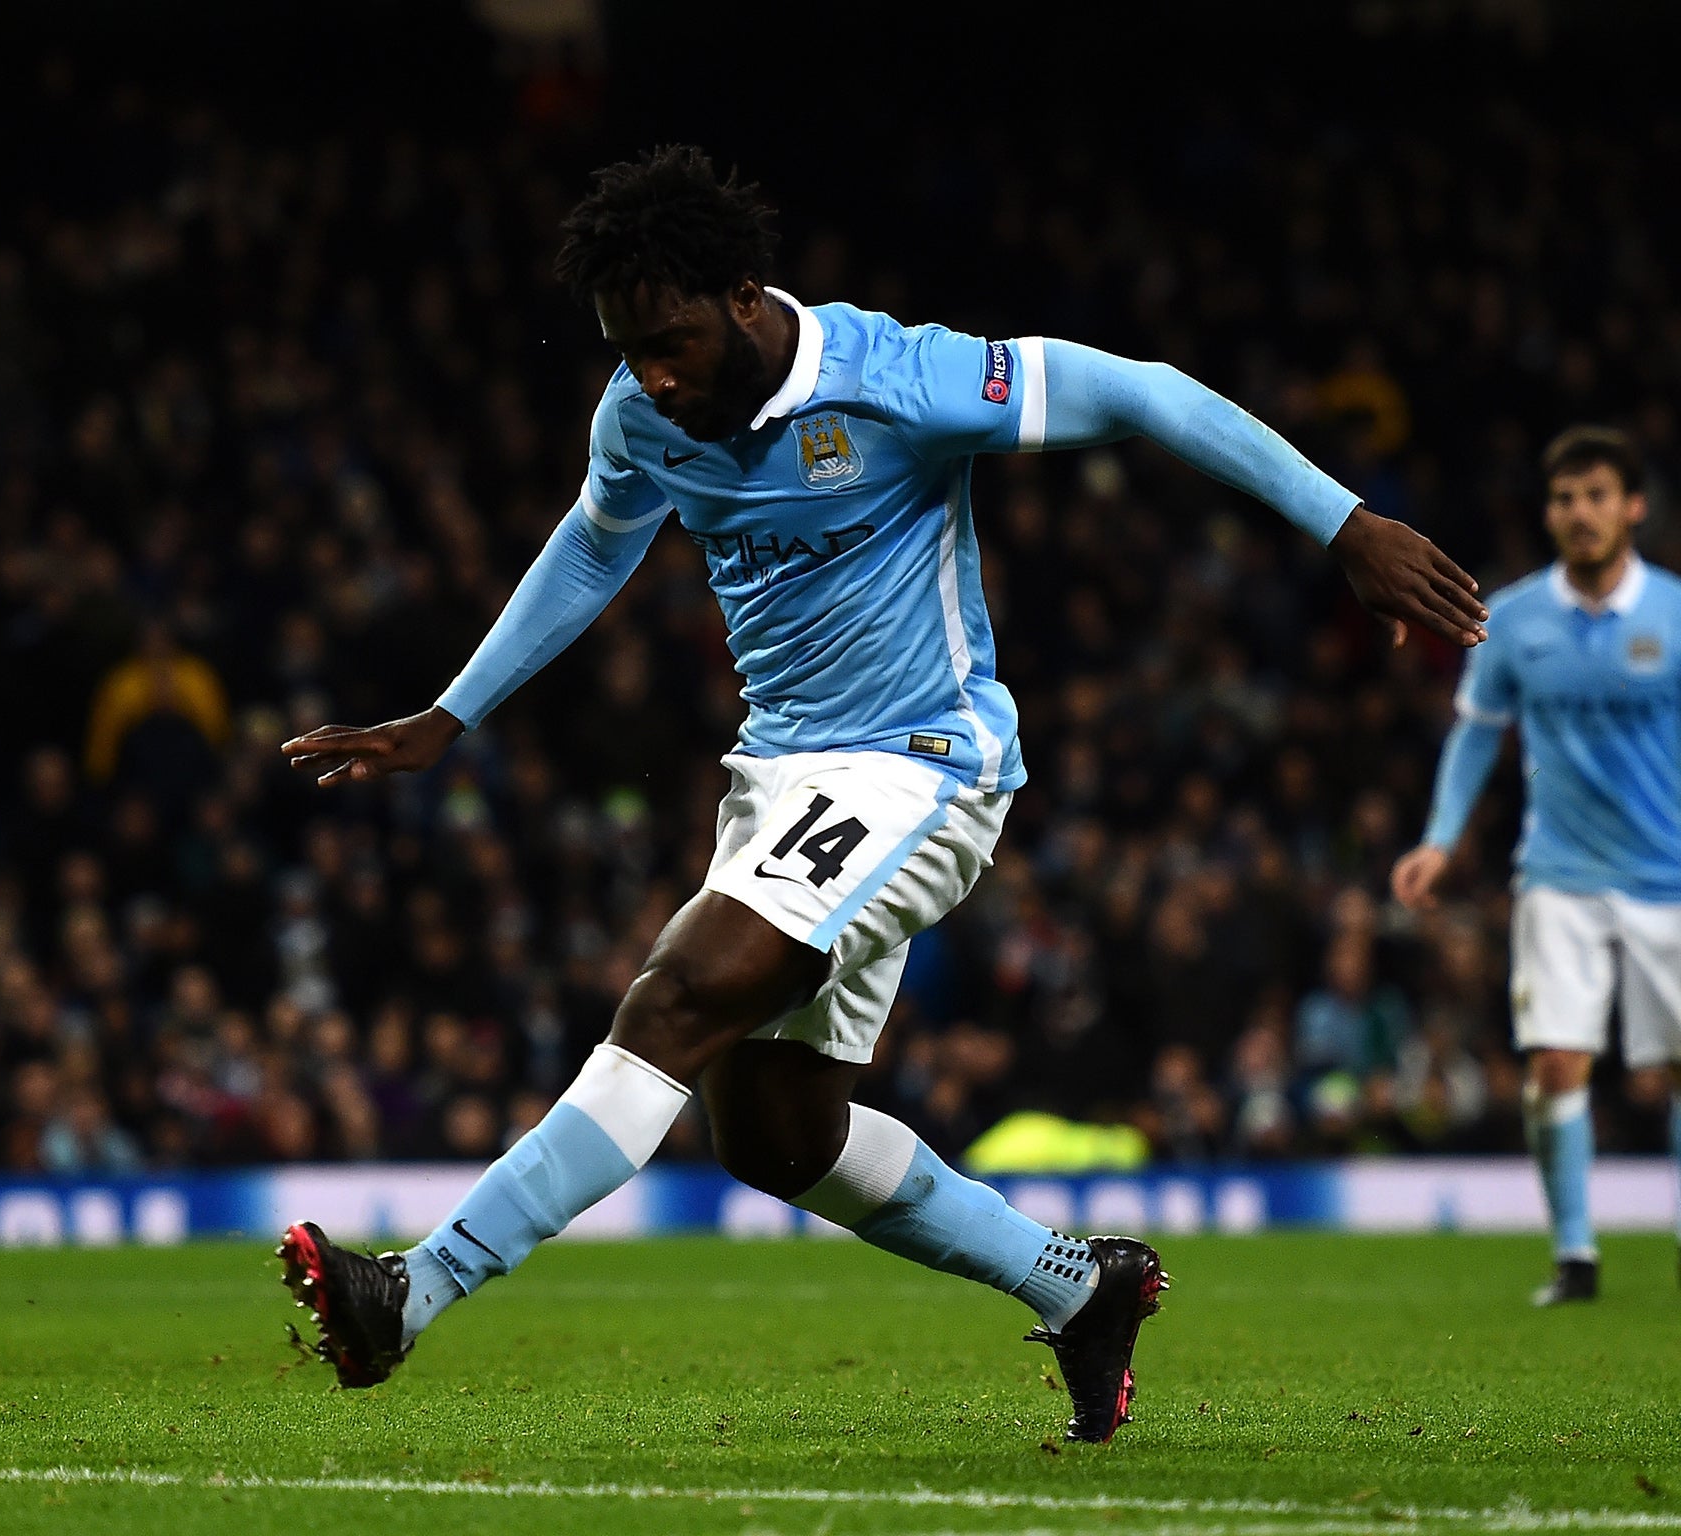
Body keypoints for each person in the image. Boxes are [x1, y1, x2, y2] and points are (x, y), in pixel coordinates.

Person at [278, 147, 1487, 1442]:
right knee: (780, 1136)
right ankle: (1079, 1287)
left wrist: (1345, 526)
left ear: (745, 294)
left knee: (681, 994)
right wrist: (449, 716)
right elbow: (593, 540)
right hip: (785, 779)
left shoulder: (900, 380)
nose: (655, 377)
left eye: (672, 342)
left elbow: (1142, 393)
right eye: (629, 350)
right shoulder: (640, 414)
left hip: (927, 764)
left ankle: (413, 1289)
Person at [1393, 426, 1681, 1307]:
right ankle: (1575, 1256)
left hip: (1670, 876)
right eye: (1565, 498)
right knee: (1556, 1061)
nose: (1581, 513)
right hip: (1558, 873)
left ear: (1633, 506)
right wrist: (1441, 838)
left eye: (1598, 495)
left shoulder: (1674, 612)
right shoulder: (1513, 620)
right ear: (1549, 512)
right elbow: (1475, 737)